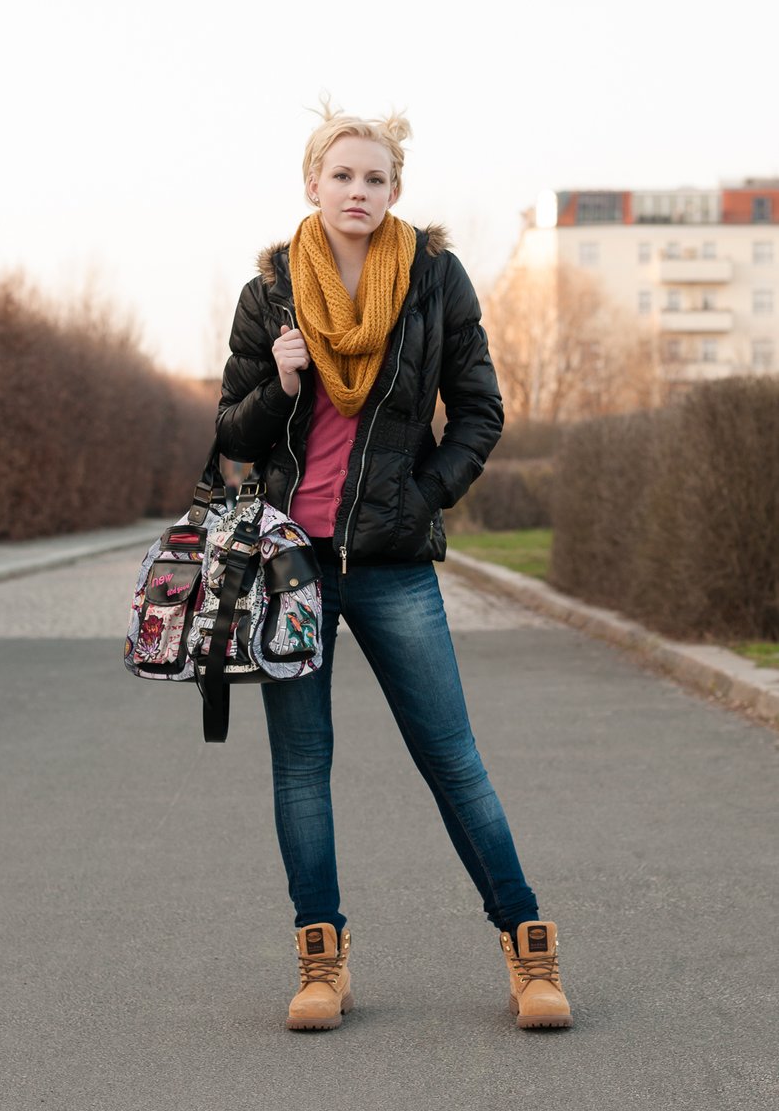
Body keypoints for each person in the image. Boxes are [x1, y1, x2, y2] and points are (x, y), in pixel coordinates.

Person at [215, 103, 573, 1032]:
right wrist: (279, 382)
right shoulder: (270, 296)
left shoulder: (433, 282)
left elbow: (480, 412)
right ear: (312, 184)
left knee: (452, 761)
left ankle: (528, 952)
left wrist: (421, 500)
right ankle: (319, 966)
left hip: (392, 563)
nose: (358, 192)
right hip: (290, 569)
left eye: (375, 178)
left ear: (395, 191)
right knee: (301, 769)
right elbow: (231, 435)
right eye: (342, 175)